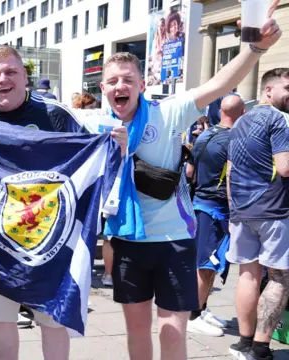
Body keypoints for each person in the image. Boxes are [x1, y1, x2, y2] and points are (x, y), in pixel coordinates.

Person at [100, 6, 280, 359]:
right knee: (136, 331)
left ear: (142, 84)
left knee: (172, 332)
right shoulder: (94, 123)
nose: (119, 86)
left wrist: (254, 48)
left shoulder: (168, 111)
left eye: (127, 79)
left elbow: (220, 85)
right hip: (125, 241)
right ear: (103, 87)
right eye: (112, 81)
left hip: (174, 241)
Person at [0, 45, 127, 360]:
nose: (3, 80)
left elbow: (90, 163)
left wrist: (114, 151)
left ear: (25, 76)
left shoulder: (55, 114)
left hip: (49, 234)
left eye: (11, 71)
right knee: (0, 316)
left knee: (52, 318)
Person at [226, 68, 289, 360]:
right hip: (274, 210)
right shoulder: (280, 119)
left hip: (242, 210)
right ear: (268, 90)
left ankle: (244, 341)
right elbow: (285, 167)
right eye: (287, 87)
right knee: (279, 277)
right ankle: (261, 349)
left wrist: (232, 212)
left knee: (248, 275)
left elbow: (230, 172)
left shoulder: (238, 122)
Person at [185, 95, 245, 337]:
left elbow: (189, 171)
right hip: (216, 207)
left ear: (220, 111)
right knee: (207, 264)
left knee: (208, 262)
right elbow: (233, 176)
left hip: (201, 203)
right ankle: (194, 315)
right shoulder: (235, 139)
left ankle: (202, 309)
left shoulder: (203, 136)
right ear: (241, 113)